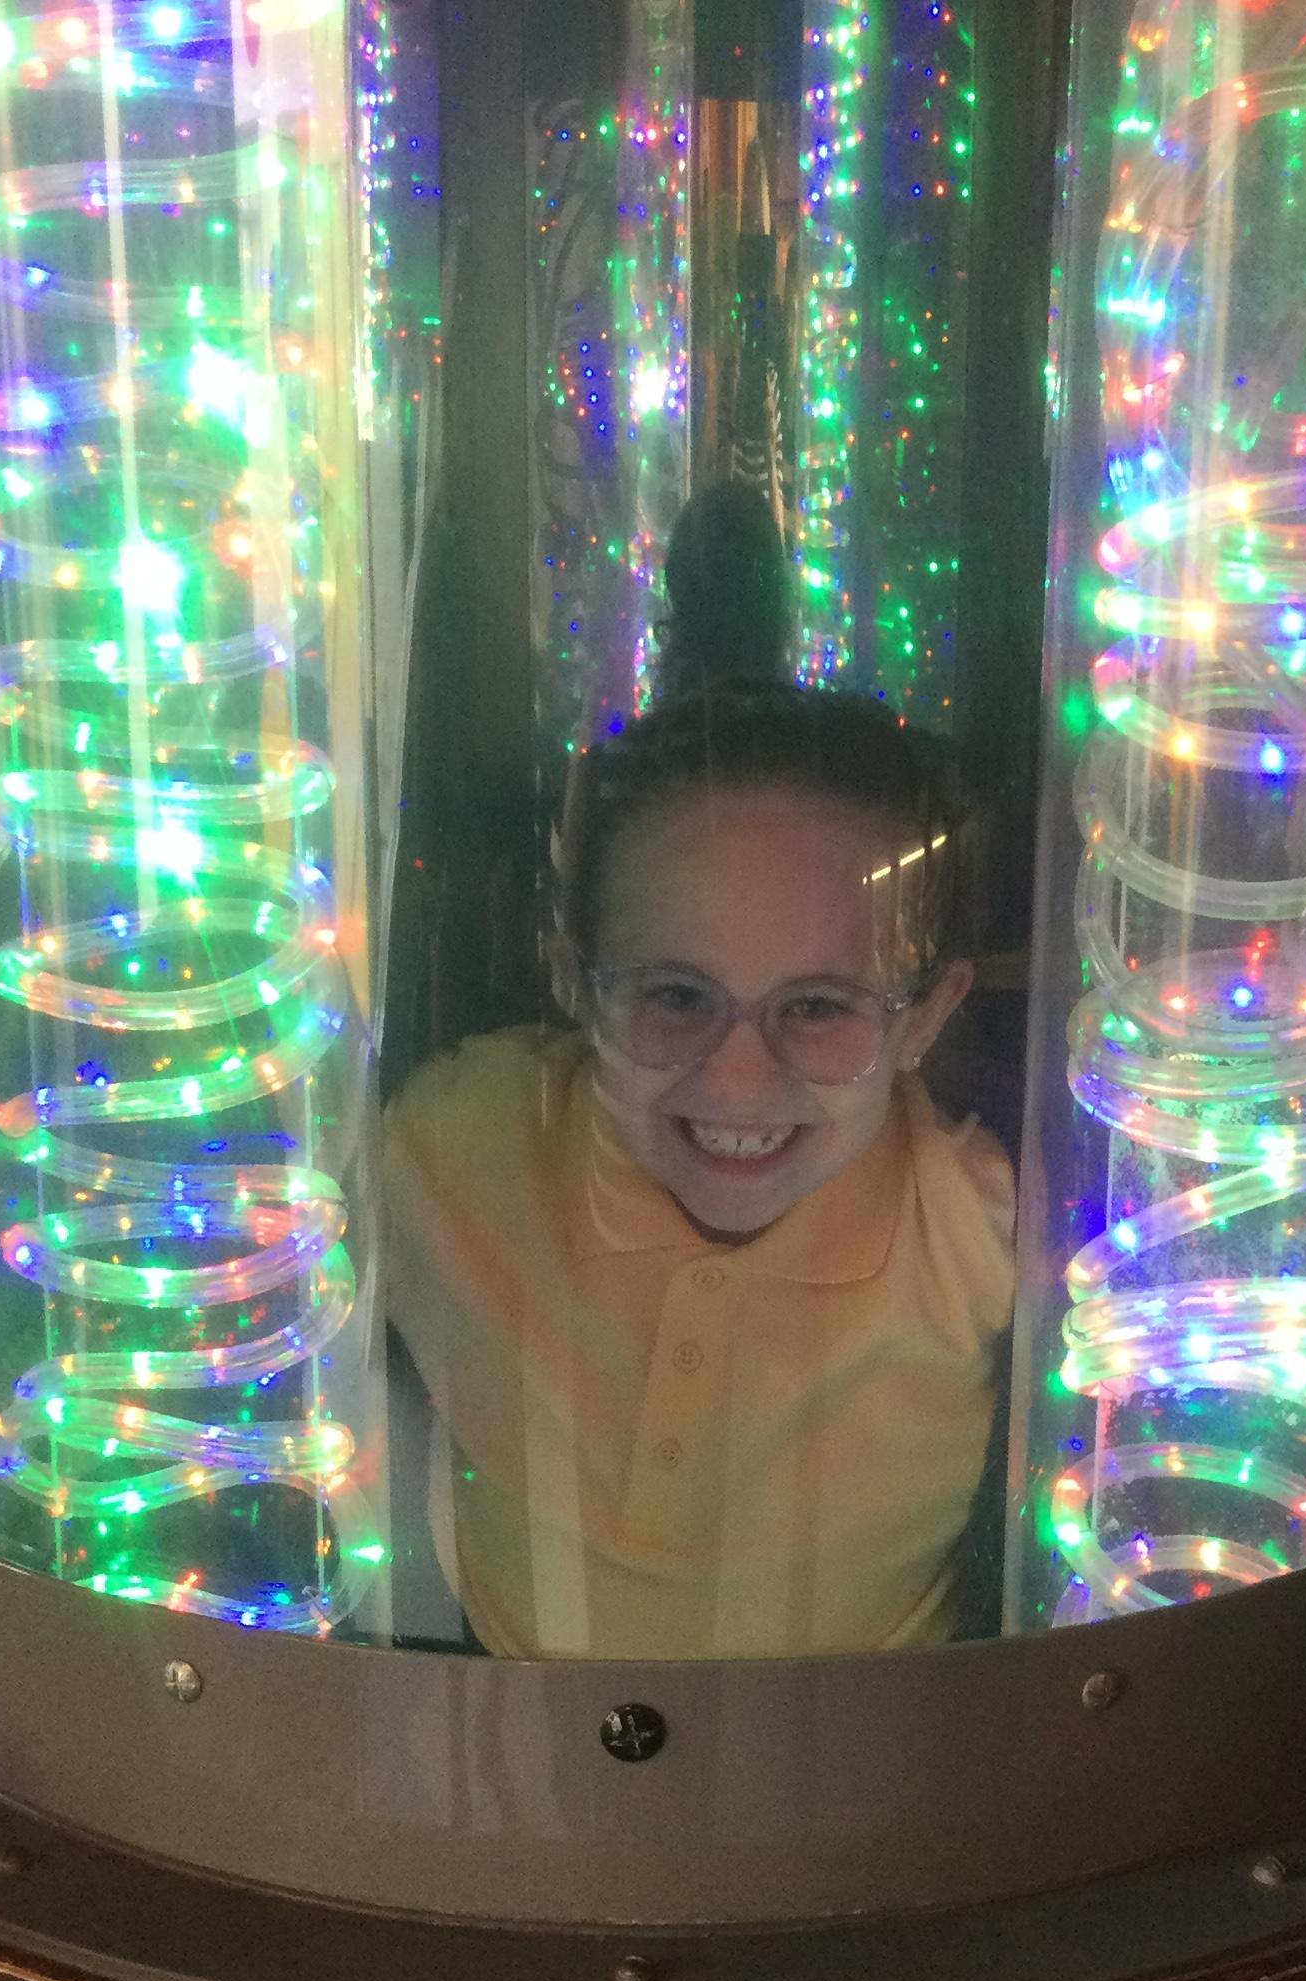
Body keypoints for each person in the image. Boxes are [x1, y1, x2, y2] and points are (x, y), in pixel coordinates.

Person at [381, 492, 1015, 1659]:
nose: (734, 1080)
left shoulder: (982, 1237)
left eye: (816, 1008)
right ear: (576, 981)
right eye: (676, 997)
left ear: (926, 1017)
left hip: (882, 1758)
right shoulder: (450, 1146)